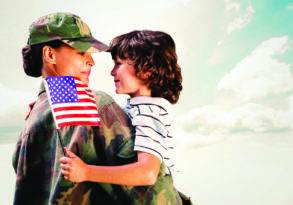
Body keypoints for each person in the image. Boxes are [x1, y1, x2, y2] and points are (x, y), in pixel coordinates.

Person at [12, 12, 136, 205]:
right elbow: (151, 191)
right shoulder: (95, 104)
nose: (91, 61)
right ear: (50, 54)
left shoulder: (30, 122)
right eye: (80, 52)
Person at [60, 30, 193, 204]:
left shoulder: (150, 113)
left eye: (119, 64)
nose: (112, 72)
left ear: (146, 69)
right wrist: (44, 102)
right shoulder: (140, 107)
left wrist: (86, 172)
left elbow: (148, 173)